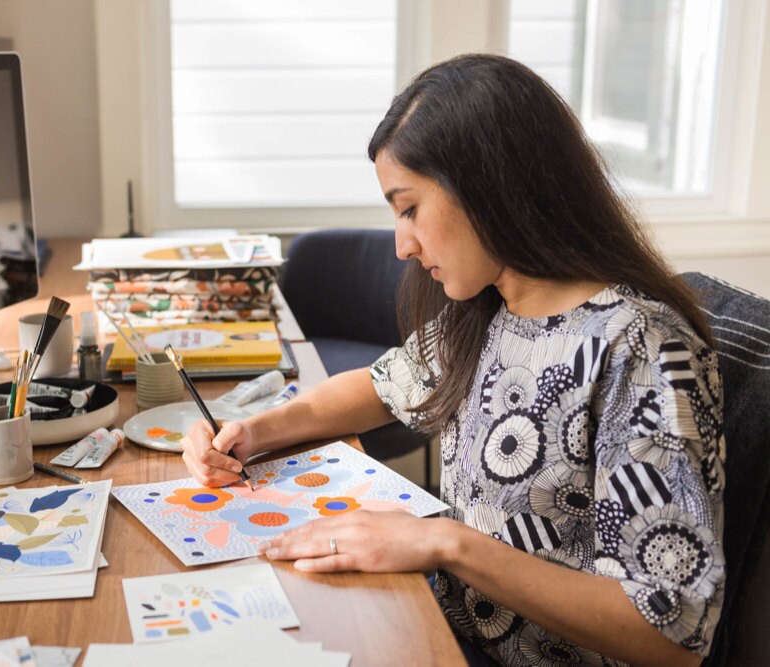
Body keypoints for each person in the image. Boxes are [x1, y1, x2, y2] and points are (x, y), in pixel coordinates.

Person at [180, 54, 725, 666]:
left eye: (409, 207)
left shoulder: (642, 349)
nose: (402, 244)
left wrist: (445, 543)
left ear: (491, 186)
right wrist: (252, 433)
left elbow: (671, 635)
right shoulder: (492, 308)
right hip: (442, 634)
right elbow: (380, 387)